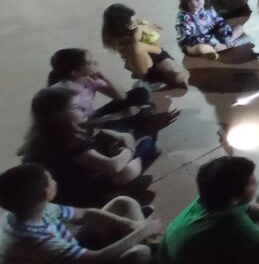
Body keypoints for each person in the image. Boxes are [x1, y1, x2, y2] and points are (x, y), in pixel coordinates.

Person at [0, 164, 157, 264]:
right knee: (140, 253)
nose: (54, 181)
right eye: (51, 180)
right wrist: (142, 231)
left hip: (66, 260)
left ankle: (146, 242)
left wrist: (133, 226)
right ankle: (148, 258)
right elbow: (98, 258)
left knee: (123, 202)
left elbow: (84, 215)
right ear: (48, 193)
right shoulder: (35, 239)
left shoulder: (27, 208)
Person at [159, 156, 259, 264]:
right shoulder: (232, 220)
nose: (256, 183)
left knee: (253, 221)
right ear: (234, 199)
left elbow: (247, 206)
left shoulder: (208, 199)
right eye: (251, 183)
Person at [19, 88, 159, 207]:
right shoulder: (65, 140)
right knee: (146, 146)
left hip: (71, 186)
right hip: (77, 196)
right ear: (59, 115)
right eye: (76, 107)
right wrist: (129, 149)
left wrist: (121, 140)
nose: (84, 109)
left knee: (127, 142)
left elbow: (109, 134)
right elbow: (114, 166)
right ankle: (111, 194)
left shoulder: (58, 130)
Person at [47, 48, 151, 128]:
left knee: (140, 92)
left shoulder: (89, 79)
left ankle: (133, 120)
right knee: (123, 119)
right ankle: (133, 122)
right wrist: (118, 116)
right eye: (89, 63)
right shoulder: (65, 92)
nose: (95, 63)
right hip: (80, 125)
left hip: (92, 115)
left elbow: (122, 97)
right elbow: (77, 124)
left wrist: (105, 78)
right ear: (75, 72)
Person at [102, 3, 188, 89]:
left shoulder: (136, 27)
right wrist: (137, 35)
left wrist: (149, 29)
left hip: (156, 56)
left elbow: (158, 50)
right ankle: (151, 80)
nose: (135, 24)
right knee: (137, 47)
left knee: (178, 77)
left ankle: (160, 79)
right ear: (119, 26)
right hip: (144, 64)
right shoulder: (117, 39)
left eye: (135, 20)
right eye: (131, 23)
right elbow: (134, 47)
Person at [174, 0, 247, 60]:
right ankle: (218, 50)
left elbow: (220, 23)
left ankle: (222, 47)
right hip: (195, 42)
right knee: (201, 48)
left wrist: (226, 38)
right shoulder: (183, 18)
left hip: (214, 36)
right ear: (187, 2)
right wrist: (214, 43)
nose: (200, 1)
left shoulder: (209, 9)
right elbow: (189, 38)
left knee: (239, 28)